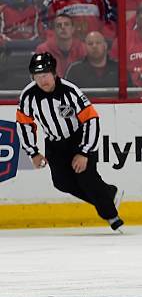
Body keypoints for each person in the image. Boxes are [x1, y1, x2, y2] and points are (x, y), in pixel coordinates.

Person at [16, 52, 124, 231]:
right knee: (62, 183)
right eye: (38, 76)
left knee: (86, 178)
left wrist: (84, 152)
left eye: (45, 74)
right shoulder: (28, 96)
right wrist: (33, 152)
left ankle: (111, 216)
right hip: (54, 145)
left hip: (78, 139)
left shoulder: (70, 91)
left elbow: (91, 119)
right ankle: (108, 194)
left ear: (54, 73)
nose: (43, 80)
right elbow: (24, 124)